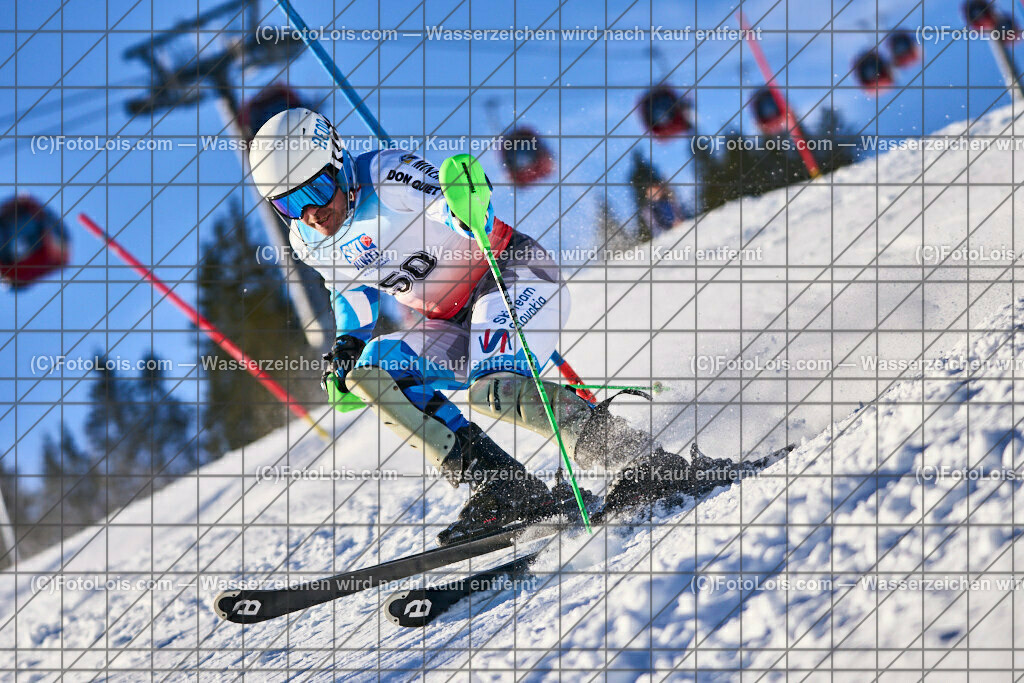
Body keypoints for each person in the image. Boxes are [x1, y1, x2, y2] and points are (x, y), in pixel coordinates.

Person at [249, 108, 735, 544]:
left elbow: (453, 206)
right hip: (451, 322)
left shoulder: (383, 174)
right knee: (374, 370)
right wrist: (350, 343)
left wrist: (467, 203)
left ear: (337, 162)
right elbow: (347, 288)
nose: (311, 214)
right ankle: (503, 488)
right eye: (290, 204)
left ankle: (638, 459)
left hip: (511, 276)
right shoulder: (309, 239)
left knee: (494, 388)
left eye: (314, 189)